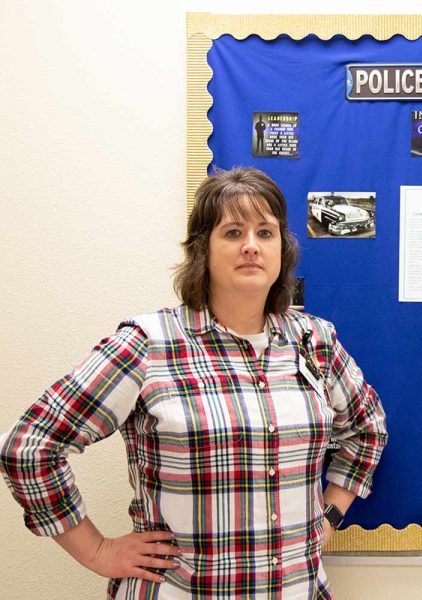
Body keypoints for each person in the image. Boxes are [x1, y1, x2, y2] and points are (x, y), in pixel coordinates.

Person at [0, 167, 387, 599]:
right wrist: (98, 551)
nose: (250, 247)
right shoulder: (147, 345)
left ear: (283, 250)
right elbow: (29, 447)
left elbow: (367, 429)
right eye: (233, 232)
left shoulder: (315, 341)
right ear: (203, 249)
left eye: (265, 232)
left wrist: (329, 516)